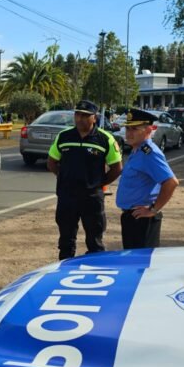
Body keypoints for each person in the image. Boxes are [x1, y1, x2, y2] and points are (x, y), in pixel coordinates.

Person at [47, 99, 122, 260]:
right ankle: (65, 273)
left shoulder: (105, 139)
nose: (80, 118)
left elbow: (117, 167)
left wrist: (100, 182)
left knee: (95, 242)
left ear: (94, 118)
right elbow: (52, 162)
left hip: (92, 198)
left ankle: (94, 276)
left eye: (85, 115)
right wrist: (64, 177)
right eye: (77, 114)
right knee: (66, 241)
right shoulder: (64, 136)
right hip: (67, 197)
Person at [116, 109, 180, 249]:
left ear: (148, 130)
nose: (129, 132)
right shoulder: (137, 150)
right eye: (127, 128)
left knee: (141, 264)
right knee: (133, 262)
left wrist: (153, 209)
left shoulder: (149, 153)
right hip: (133, 217)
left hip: (142, 220)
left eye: (134, 129)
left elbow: (171, 182)